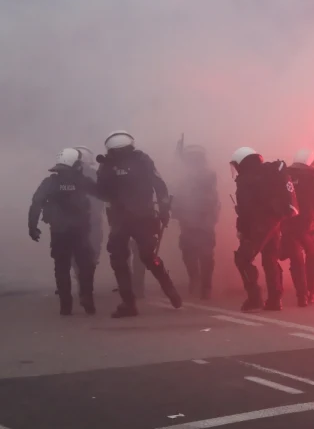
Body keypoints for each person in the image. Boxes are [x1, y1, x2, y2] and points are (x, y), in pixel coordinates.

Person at [95, 131, 181, 318]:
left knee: (119, 261)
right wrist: (165, 211)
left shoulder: (106, 165)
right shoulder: (143, 160)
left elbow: (100, 193)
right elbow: (160, 185)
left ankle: (128, 303)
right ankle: (170, 290)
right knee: (149, 256)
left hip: (120, 221)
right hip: (144, 217)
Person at [28, 149, 98, 316]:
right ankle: (86, 297)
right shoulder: (82, 181)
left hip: (59, 232)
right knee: (85, 265)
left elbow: (36, 203)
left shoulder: (50, 182)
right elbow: (102, 194)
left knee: (61, 267)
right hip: (81, 230)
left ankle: (65, 305)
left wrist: (32, 227)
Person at [232, 147, 297, 312]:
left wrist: (242, 230)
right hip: (275, 221)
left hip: (259, 226)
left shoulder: (246, 179)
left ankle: (255, 298)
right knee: (270, 259)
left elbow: (246, 210)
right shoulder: (268, 172)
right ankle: (275, 300)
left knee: (242, 258)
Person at [172, 142, 221, 301]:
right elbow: (179, 196)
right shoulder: (185, 178)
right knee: (188, 253)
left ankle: (206, 287)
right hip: (187, 220)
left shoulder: (208, 175)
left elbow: (201, 183)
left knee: (206, 255)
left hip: (205, 220)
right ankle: (195, 279)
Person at [284, 149, 314, 307]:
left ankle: (301, 296)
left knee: (296, 260)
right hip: (309, 224)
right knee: (312, 256)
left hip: (289, 223)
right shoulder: (312, 177)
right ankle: (312, 292)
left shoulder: (285, 175)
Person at [74, 147, 105, 268]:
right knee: (92, 244)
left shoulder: (67, 175)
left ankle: (85, 268)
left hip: (88, 217)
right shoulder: (95, 174)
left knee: (91, 243)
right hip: (89, 217)